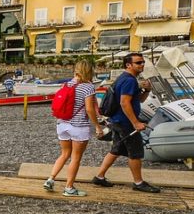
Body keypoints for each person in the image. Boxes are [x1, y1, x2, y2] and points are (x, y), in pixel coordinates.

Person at [92, 53, 161, 193]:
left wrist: (147, 90)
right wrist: (135, 122)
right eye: (138, 63)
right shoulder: (129, 80)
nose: (142, 65)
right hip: (126, 123)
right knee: (135, 153)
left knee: (116, 150)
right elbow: (124, 103)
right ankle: (139, 183)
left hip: (118, 121)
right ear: (128, 65)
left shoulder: (126, 79)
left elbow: (139, 100)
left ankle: (99, 177)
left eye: (142, 62)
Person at [44, 59, 103, 197]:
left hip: (62, 124)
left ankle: (50, 179)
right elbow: (89, 109)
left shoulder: (67, 84)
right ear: (89, 71)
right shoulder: (88, 87)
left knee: (64, 154)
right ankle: (69, 188)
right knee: (75, 158)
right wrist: (97, 126)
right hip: (78, 126)